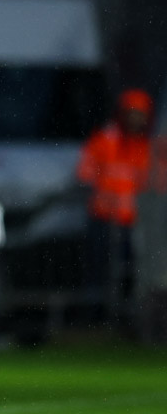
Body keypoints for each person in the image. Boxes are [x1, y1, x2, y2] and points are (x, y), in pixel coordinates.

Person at [76, 88, 154, 317]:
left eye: (140, 114)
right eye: (132, 113)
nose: (136, 119)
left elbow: (155, 183)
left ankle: (129, 317)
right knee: (99, 271)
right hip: (104, 217)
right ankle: (95, 317)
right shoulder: (104, 140)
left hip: (135, 222)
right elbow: (84, 174)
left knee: (133, 272)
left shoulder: (149, 147)